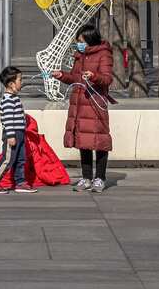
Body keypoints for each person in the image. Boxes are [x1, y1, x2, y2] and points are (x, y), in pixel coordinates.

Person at [51, 24, 116, 193]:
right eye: (78, 41)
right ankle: (86, 178)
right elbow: (75, 77)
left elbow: (107, 79)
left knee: (100, 141)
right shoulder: (80, 55)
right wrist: (62, 75)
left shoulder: (104, 54)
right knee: (83, 141)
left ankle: (100, 178)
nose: (79, 44)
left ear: (90, 39)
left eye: (81, 41)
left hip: (95, 103)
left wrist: (94, 76)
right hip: (79, 103)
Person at [0, 66, 35, 194]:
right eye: (20, 80)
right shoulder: (8, 100)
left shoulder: (15, 98)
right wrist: (11, 136)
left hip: (20, 133)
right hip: (12, 134)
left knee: (21, 159)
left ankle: (20, 182)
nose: (21, 82)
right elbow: (7, 120)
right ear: (11, 84)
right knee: (7, 159)